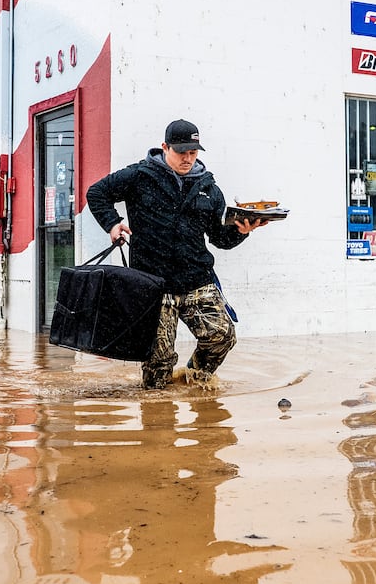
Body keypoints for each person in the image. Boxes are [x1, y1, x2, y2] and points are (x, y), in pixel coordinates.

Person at [86, 119, 267, 389]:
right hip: (153, 284)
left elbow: (219, 239)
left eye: (193, 152)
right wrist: (112, 223)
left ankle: (193, 380)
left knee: (222, 335)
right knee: (158, 365)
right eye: (181, 152)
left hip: (197, 279)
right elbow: (97, 192)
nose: (187, 158)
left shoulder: (209, 188)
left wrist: (242, 231)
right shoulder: (139, 176)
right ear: (164, 147)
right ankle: (158, 419)